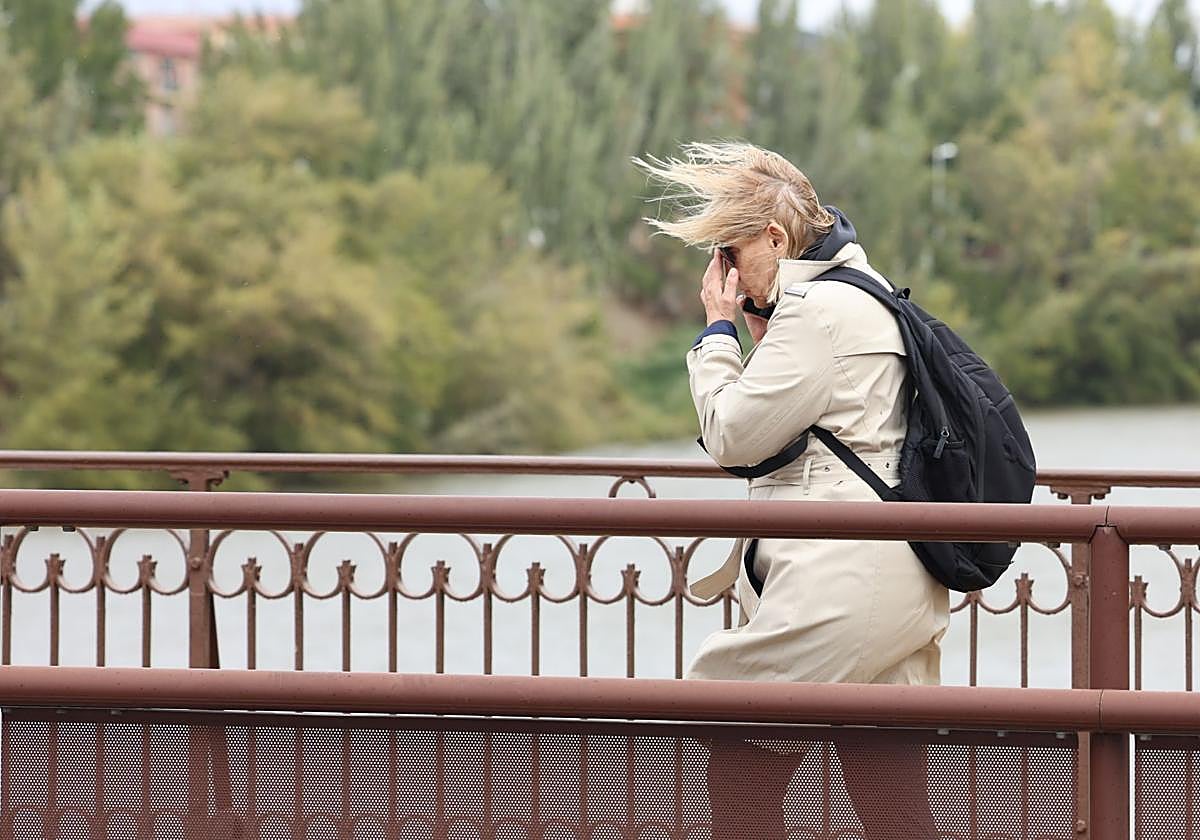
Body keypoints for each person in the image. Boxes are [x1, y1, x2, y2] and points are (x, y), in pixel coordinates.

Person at [633, 142, 949, 839]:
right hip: (893, 575)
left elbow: (733, 434)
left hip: (842, 580)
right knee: (893, 805)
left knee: (741, 769)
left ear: (775, 239)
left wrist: (717, 333)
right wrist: (764, 333)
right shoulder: (865, 292)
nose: (726, 275)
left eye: (731, 253)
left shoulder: (816, 311)